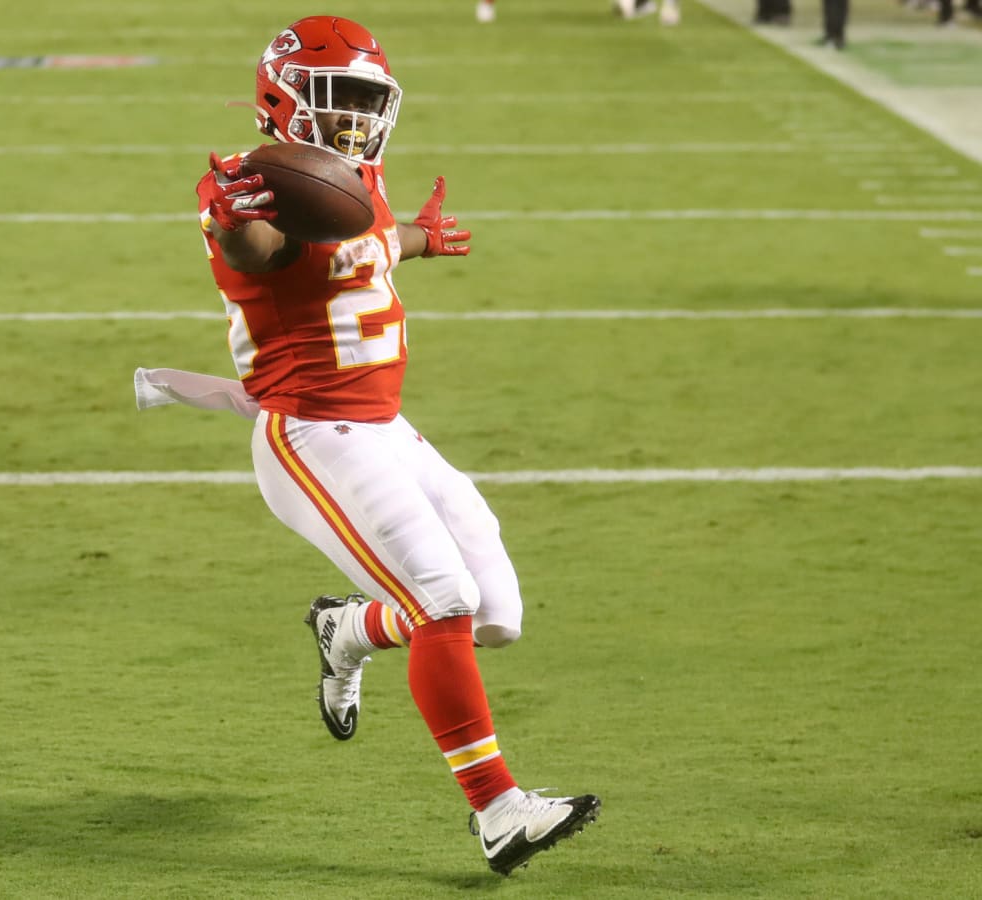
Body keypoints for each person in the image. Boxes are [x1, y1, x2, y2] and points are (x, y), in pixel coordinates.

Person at [183, 14, 601, 877]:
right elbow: (257, 249)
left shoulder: (348, 179)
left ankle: (349, 628)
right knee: (442, 599)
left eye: (368, 100)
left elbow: (359, 249)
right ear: (283, 99)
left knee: (495, 616)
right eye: (338, 99)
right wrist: (229, 219)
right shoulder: (256, 186)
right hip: (310, 431)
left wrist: (416, 237)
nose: (355, 119)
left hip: (383, 426)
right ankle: (498, 811)